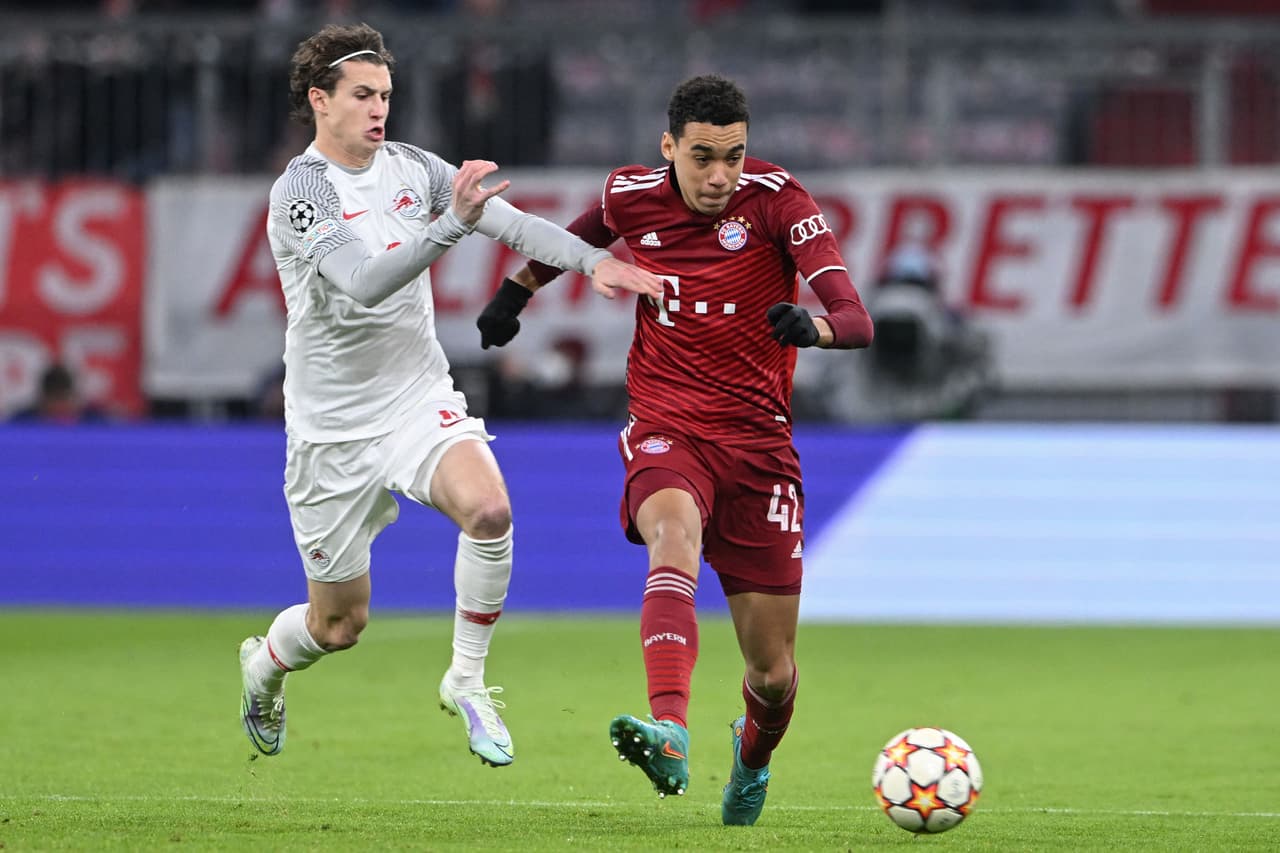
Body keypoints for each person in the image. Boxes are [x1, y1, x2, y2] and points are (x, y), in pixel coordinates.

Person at [238, 22, 661, 768]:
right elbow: (364, 283)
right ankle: (264, 669)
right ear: (319, 101)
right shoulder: (300, 191)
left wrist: (593, 261)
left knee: (490, 509)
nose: (379, 108)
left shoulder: (413, 166)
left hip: (414, 396)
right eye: (362, 95)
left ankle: (466, 678)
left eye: (385, 94)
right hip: (332, 428)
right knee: (339, 626)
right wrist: (449, 227)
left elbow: (513, 224)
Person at [476, 74, 873, 823]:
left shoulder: (781, 202)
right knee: (672, 536)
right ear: (669, 147)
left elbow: (856, 319)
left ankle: (751, 759)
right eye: (703, 157)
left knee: (773, 674)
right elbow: (571, 244)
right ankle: (671, 730)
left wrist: (813, 329)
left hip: (760, 448)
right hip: (670, 423)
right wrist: (515, 292)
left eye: (734, 156)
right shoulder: (630, 195)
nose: (721, 175)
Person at [824, 242, 992, 423]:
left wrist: (951, 337)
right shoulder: (857, 321)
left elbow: (977, 368)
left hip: (928, 408)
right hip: (868, 408)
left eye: (916, 286)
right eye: (899, 285)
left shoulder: (952, 325)